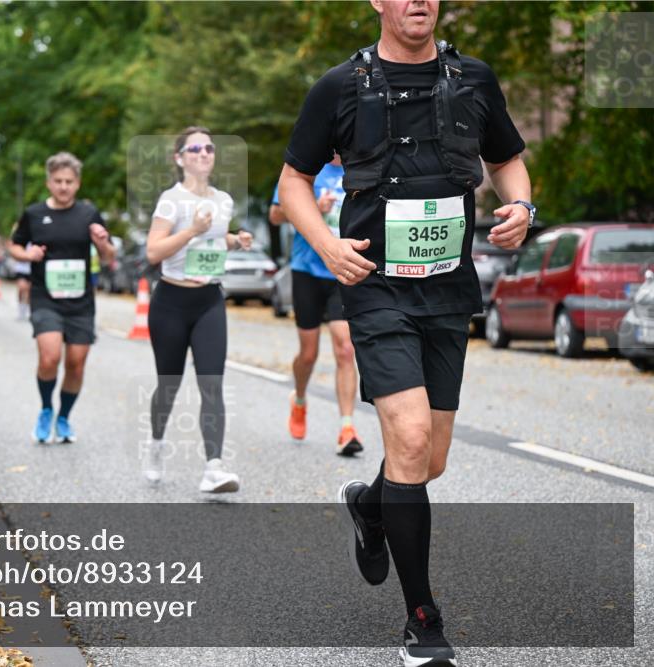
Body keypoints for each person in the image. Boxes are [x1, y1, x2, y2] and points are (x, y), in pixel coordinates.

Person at [279, 2, 533, 665]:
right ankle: (422, 618)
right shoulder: (340, 86)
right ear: (379, 3)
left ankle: (370, 504)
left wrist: (521, 206)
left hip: (448, 288)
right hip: (377, 285)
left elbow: (507, 159)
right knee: (411, 438)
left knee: (426, 460)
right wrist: (325, 244)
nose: (418, 0)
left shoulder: (473, 78)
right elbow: (294, 180)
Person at [141, 127, 252, 493]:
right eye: (195, 148)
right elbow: (154, 252)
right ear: (180, 158)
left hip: (208, 300)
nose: (204, 153)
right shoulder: (171, 201)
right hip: (171, 303)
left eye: (209, 148)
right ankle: (156, 445)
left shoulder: (223, 200)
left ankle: (213, 468)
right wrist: (190, 230)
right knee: (168, 386)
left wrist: (236, 241)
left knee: (212, 384)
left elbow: (216, 239)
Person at [9, 152, 115, 444]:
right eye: (58, 181)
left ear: (78, 184)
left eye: (69, 181)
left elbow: (109, 257)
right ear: (49, 183)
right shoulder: (33, 214)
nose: (64, 186)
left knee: (76, 364)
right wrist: (27, 254)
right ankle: (45, 409)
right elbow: (14, 246)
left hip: (81, 302)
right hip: (46, 298)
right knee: (49, 357)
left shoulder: (88, 214)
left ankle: (64, 417)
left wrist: (102, 243)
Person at [270, 154, 363, 453]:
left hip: (343, 271)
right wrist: (312, 208)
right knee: (308, 354)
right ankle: (298, 399)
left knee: (345, 347)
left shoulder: (359, 168)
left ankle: (347, 427)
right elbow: (274, 215)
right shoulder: (305, 168)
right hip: (308, 270)